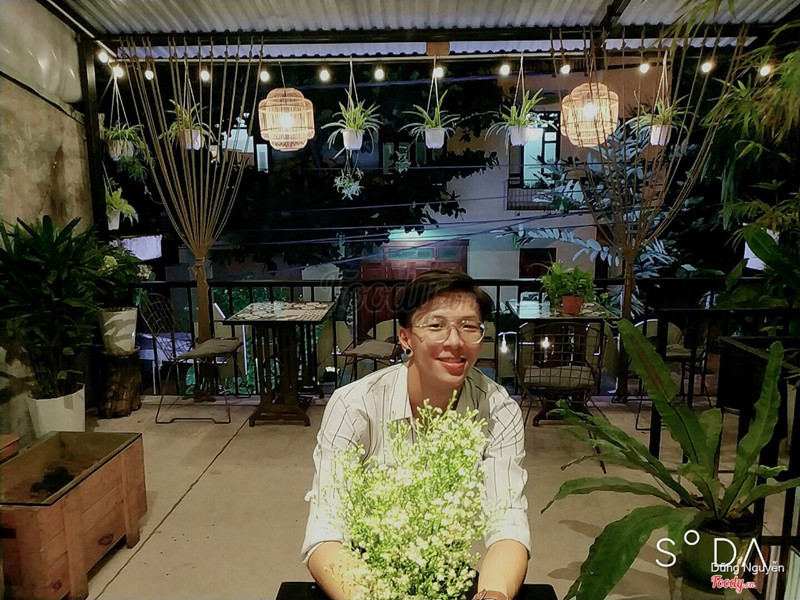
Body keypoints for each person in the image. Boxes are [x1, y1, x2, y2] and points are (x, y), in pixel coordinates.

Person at [302, 270, 529, 600]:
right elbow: (326, 529)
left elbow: (507, 520)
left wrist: (494, 593)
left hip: (445, 572)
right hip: (358, 571)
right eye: (436, 326)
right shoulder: (356, 405)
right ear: (406, 338)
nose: (454, 341)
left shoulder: (497, 409)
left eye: (469, 326)